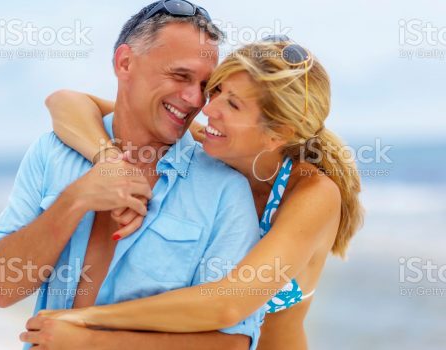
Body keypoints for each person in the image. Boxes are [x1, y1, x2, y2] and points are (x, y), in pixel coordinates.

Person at [31, 34, 364, 349]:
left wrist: (87, 319)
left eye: (232, 105)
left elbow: (228, 303)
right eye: (216, 91)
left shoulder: (313, 193)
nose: (207, 109)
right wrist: (109, 163)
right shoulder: (214, 143)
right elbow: (64, 101)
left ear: (279, 132)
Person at [0, 1, 266, 349]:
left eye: (205, 85)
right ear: (125, 62)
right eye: (180, 76)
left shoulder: (224, 189)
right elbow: (3, 288)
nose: (195, 100)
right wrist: (76, 199)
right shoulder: (52, 152)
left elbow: (233, 342)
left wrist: (91, 342)